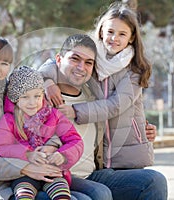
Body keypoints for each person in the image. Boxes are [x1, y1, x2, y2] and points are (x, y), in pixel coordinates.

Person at [0, 35, 89, 200]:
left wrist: (51, 147)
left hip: (27, 173)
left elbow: (48, 124)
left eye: (4, 63)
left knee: (98, 193)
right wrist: (25, 166)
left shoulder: (16, 91)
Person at [38, 33, 167, 199]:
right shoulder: (38, 97)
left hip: (93, 175)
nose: (81, 67)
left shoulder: (94, 95)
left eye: (88, 63)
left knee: (154, 180)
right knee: (99, 194)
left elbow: (118, 109)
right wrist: (47, 82)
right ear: (58, 59)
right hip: (54, 177)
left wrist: (144, 129)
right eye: (75, 59)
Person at [42, 2, 154, 169]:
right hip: (98, 155)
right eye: (110, 32)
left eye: (122, 34)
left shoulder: (134, 70)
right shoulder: (91, 58)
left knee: (151, 181)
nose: (114, 38)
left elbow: (115, 105)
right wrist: (47, 81)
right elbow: (58, 62)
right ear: (101, 31)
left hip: (128, 153)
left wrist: (76, 111)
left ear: (131, 37)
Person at [0, 66, 85, 200]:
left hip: (52, 170)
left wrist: (63, 156)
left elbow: (75, 141)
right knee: (24, 194)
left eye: (37, 96)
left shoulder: (54, 115)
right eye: (25, 97)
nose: (32, 102)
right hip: (24, 174)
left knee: (61, 194)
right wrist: (27, 154)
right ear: (16, 99)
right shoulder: (9, 120)